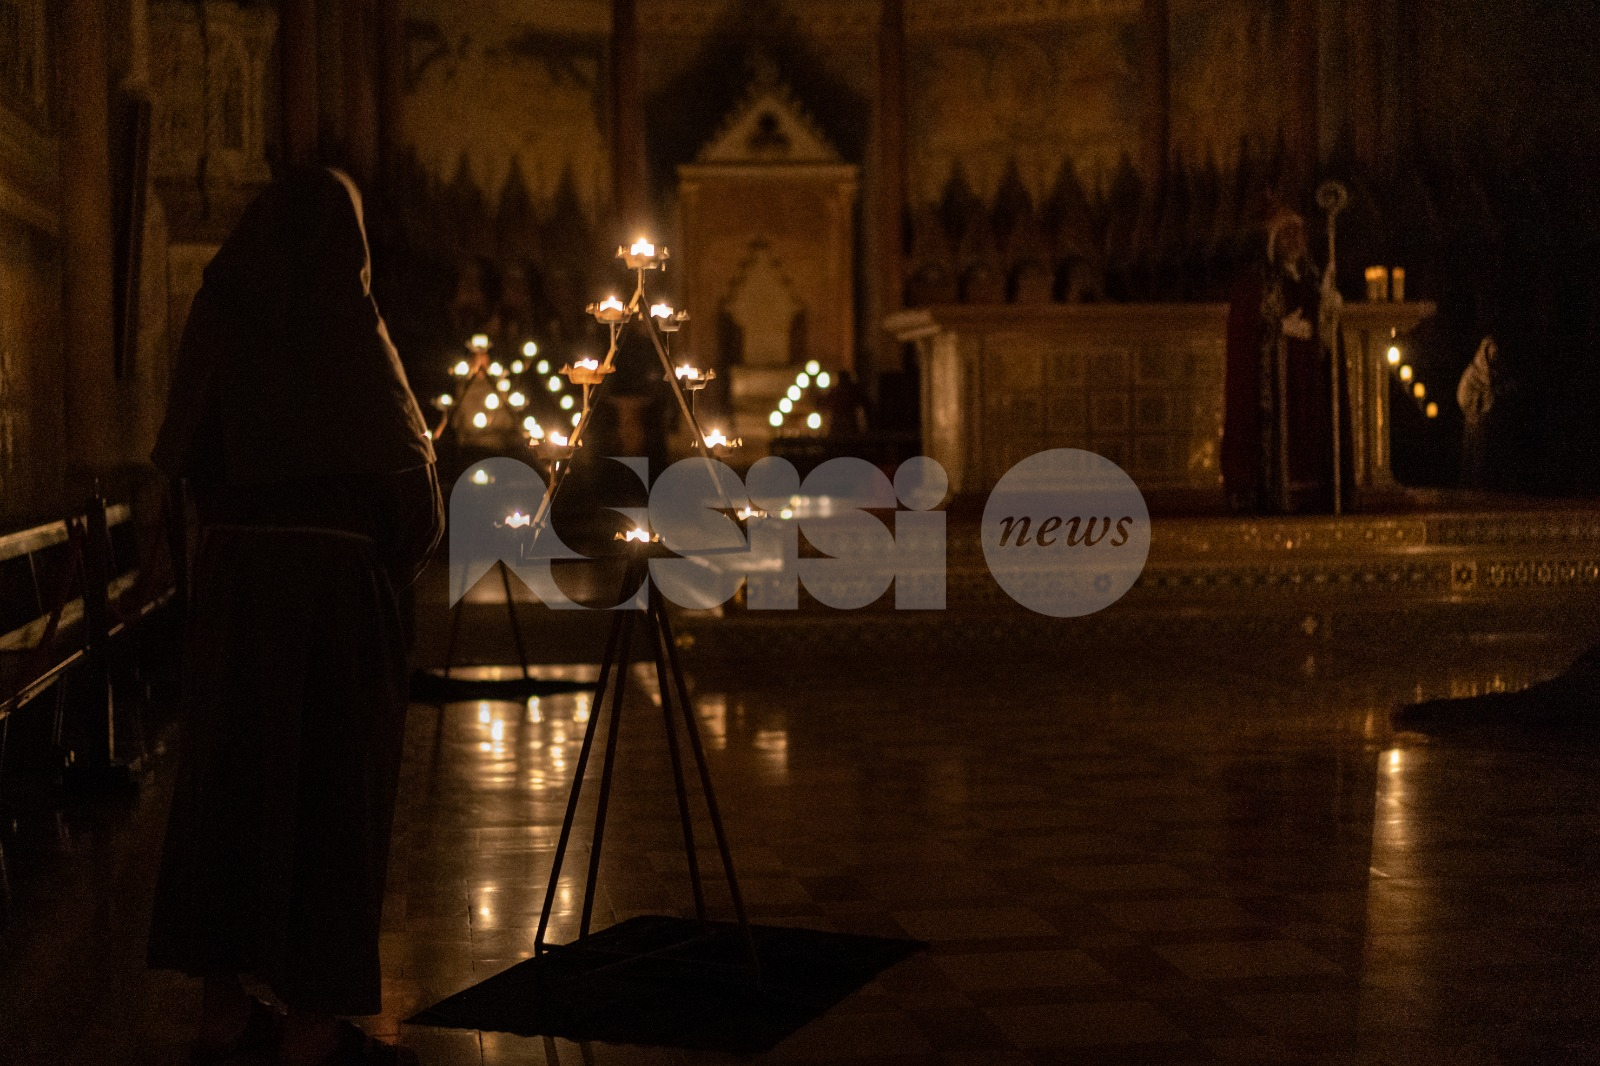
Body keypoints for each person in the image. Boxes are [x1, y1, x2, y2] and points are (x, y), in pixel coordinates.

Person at [147, 167, 442, 1066]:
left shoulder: (221, 316)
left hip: (236, 595)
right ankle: (312, 1028)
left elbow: (181, 457)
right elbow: (413, 496)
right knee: (333, 799)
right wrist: (376, 567)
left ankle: (224, 1009)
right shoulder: (350, 329)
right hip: (338, 606)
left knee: (226, 792)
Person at [1222, 208, 1348, 513]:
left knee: (1308, 436)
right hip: (1277, 378)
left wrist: (1329, 307)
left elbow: (1325, 336)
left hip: (1307, 379)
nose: (1294, 240)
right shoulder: (1259, 281)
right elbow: (1244, 325)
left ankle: (1313, 496)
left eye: (1299, 233)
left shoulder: (1313, 280)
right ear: (1274, 241)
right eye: (1287, 233)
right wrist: (1278, 328)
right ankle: (1273, 494)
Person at [1457, 335, 1510, 488]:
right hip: (1475, 422)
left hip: (1492, 423)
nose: (1493, 355)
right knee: (1474, 458)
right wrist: (1477, 404)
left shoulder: (1497, 373)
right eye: (1491, 352)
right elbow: (1463, 395)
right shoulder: (1473, 373)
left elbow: (1503, 391)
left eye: (1495, 353)